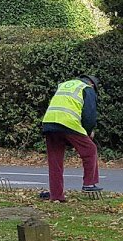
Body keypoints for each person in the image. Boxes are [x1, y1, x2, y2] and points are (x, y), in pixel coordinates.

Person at [39, 74, 103, 202]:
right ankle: (89, 184)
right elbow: (89, 115)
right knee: (90, 150)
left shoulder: (64, 85)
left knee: (55, 161)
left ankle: (56, 196)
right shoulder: (87, 88)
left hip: (49, 122)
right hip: (68, 122)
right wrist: (88, 131)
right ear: (92, 84)